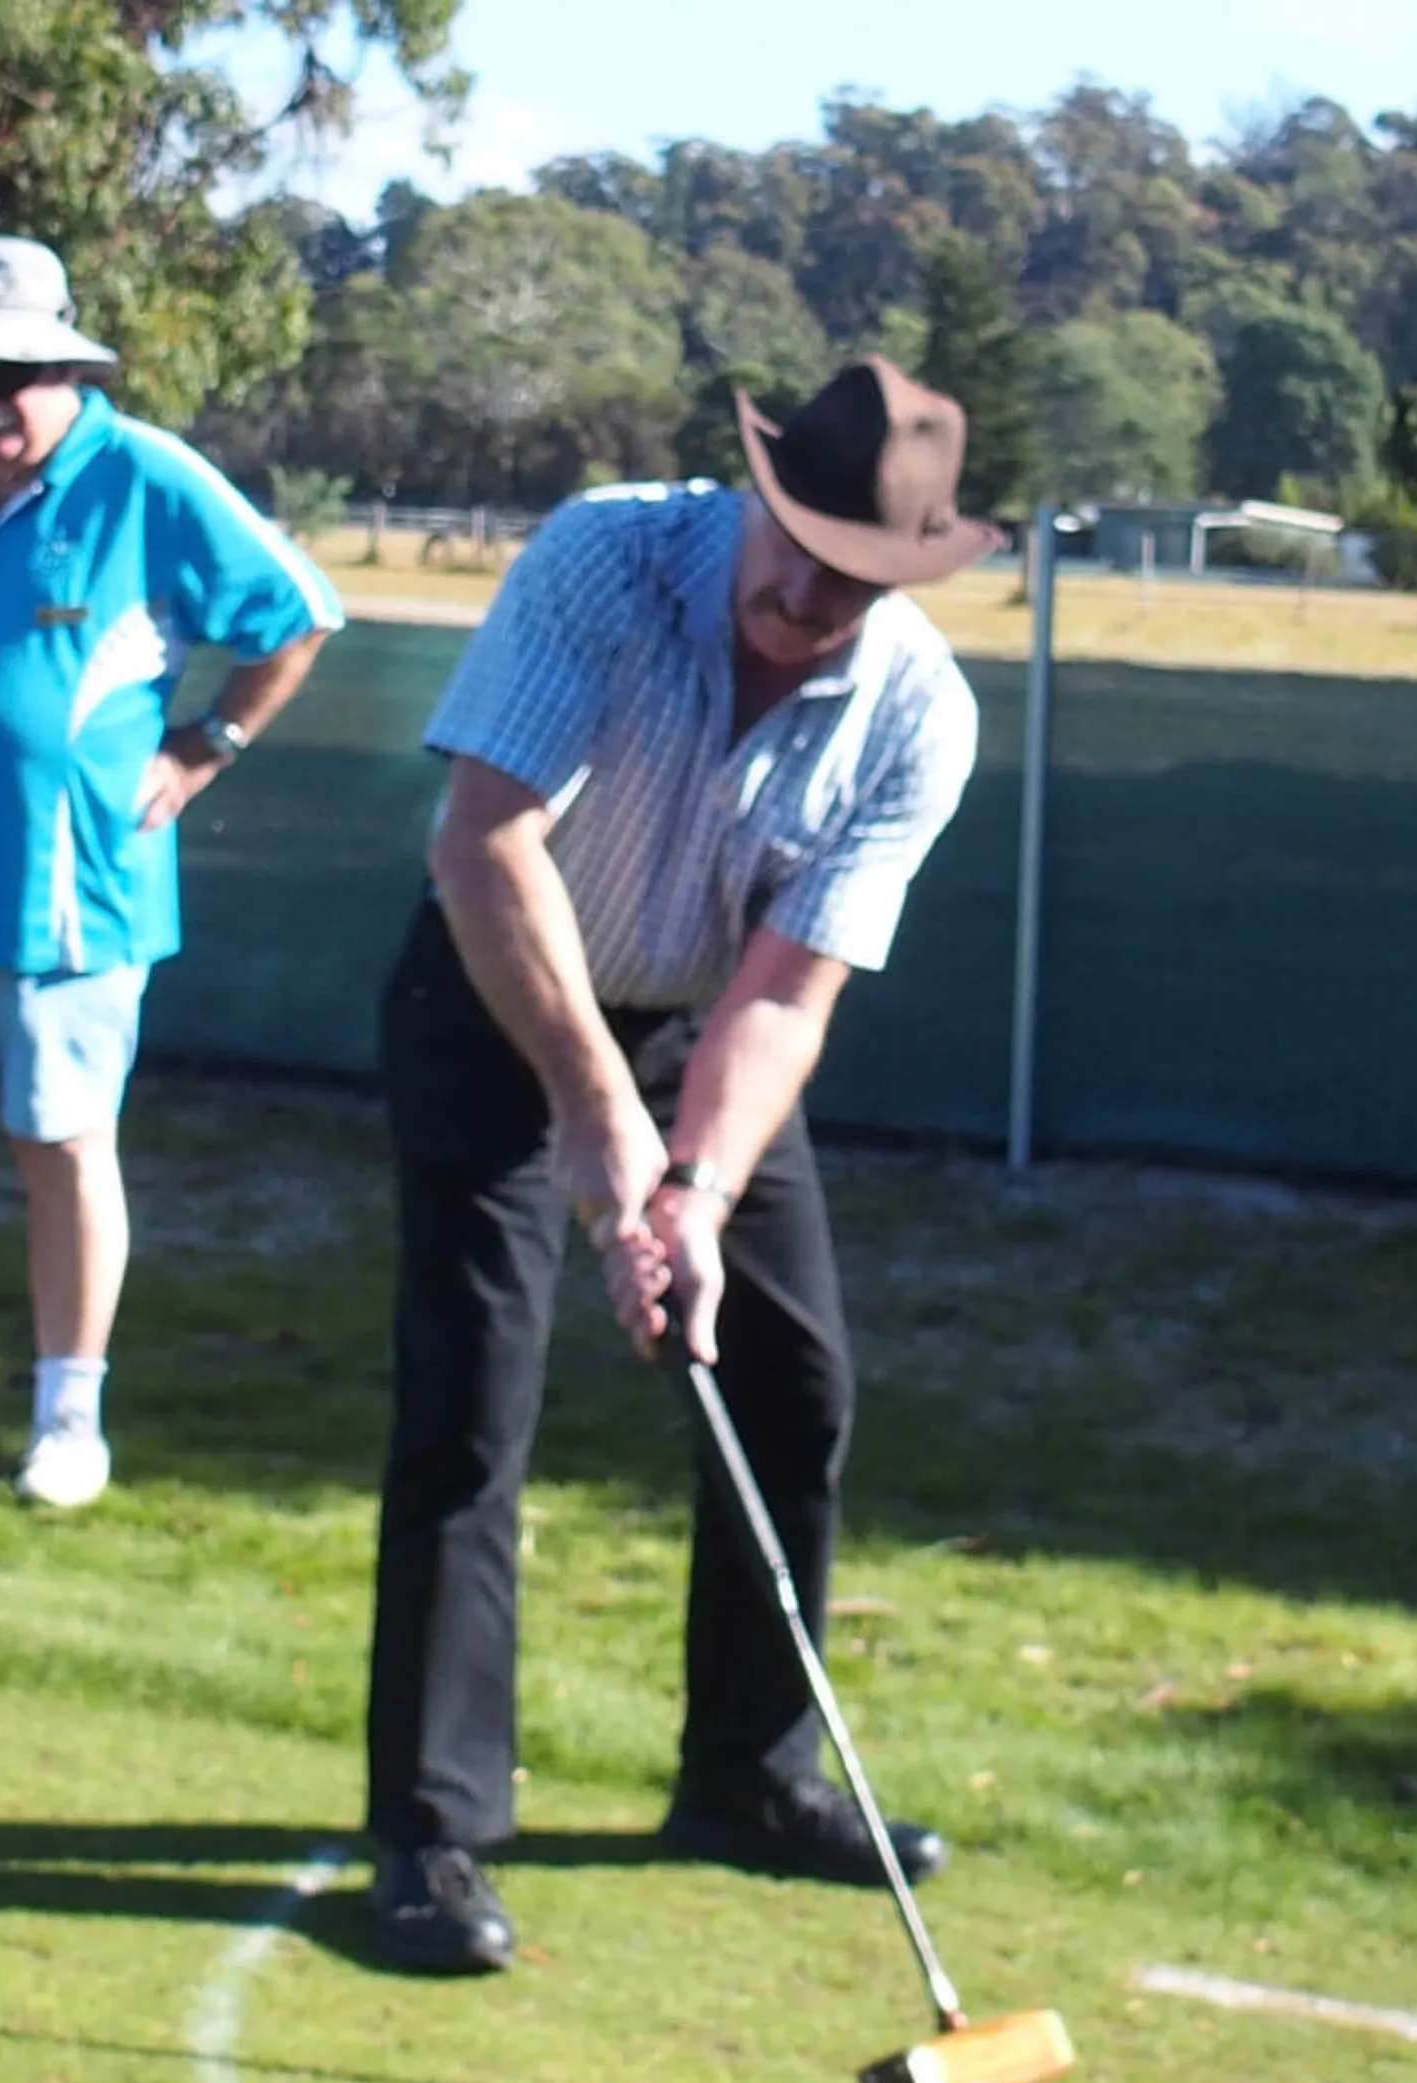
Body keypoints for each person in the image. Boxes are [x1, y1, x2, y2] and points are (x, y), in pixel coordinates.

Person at [363, 359, 1001, 1973]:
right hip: (494, 987)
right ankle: (433, 1836)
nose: (801, 592)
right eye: (789, 542)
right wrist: (593, 1121)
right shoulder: (604, 557)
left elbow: (787, 990)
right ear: (756, 497)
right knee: (471, 1398)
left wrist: (691, 1192)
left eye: (851, 576)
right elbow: (481, 842)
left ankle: (747, 1775)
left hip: (700, 1028)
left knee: (789, 1380)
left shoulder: (919, 714)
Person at [0, 234, 341, 1507]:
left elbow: (295, 613)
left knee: (61, 1148)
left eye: (11, 379)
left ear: (66, 369)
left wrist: (209, 744)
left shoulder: (146, 478)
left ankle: (66, 1424)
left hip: (71, 898)